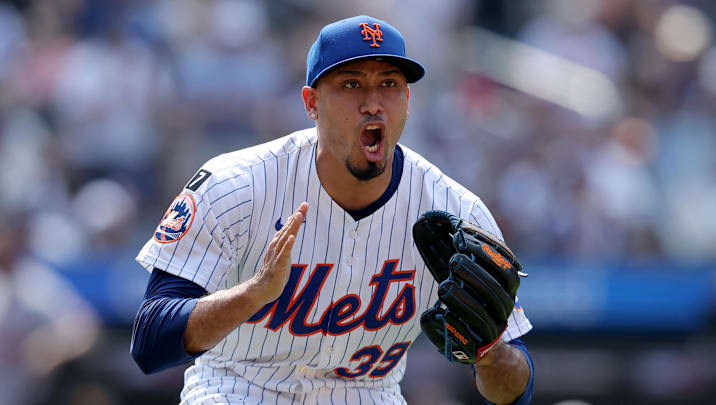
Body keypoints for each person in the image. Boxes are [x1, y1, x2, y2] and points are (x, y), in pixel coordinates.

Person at [131, 15, 534, 405]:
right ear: (311, 103)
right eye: (352, 84)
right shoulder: (237, 184)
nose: (372, 103)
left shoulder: (454, 212)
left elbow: (516, 392)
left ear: (407, 101)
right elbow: (150, 341)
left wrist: (491, 352)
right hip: (238, 388)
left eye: (389, 84)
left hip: (368, 395)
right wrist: (254, 294)